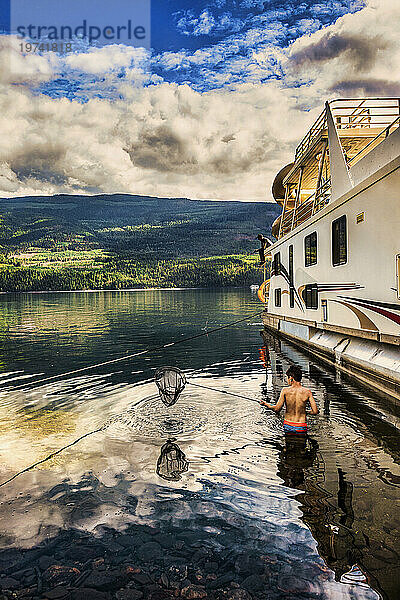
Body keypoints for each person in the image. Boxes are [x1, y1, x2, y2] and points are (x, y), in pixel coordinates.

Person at [260, 365, 318, 434]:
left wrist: (266, 404)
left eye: (287, 378)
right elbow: (315, 411)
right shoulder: (307, 392)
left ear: (291, 378)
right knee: (302, 444)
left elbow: (277, 409)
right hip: (301, 426)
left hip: (288, 425)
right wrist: (305, 412)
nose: (287, 381)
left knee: (288, 444)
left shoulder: (285, 391)